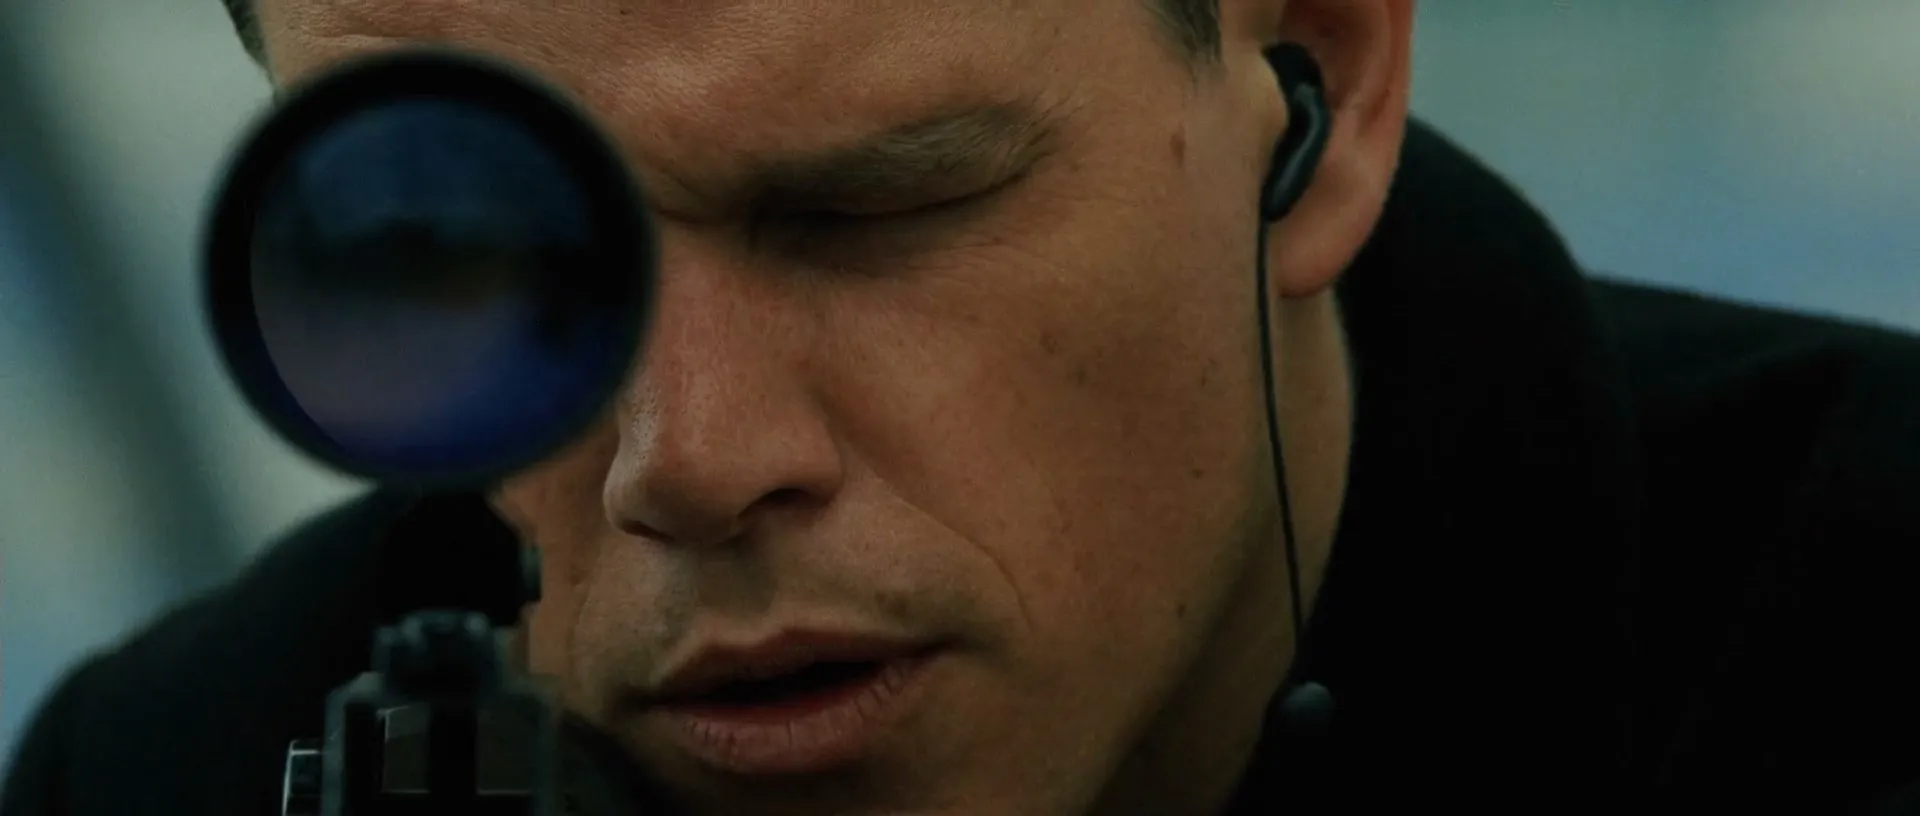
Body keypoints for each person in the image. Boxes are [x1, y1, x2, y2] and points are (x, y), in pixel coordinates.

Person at [6, 0, 1920, 813]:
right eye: (469, 258)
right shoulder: (170, 773)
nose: (695, 458)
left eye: (874, 211)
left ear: (1317, 88)